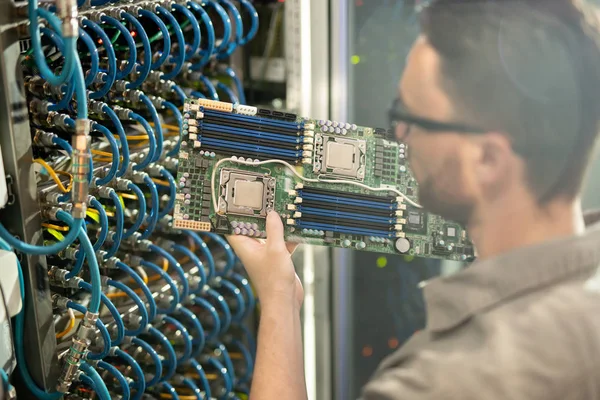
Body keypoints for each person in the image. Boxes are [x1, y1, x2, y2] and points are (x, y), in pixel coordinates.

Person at [227, 0, 600, 399]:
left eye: (411, 118)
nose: (398, 138)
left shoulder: (441, 383)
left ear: (488, 160)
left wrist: (278, 298)